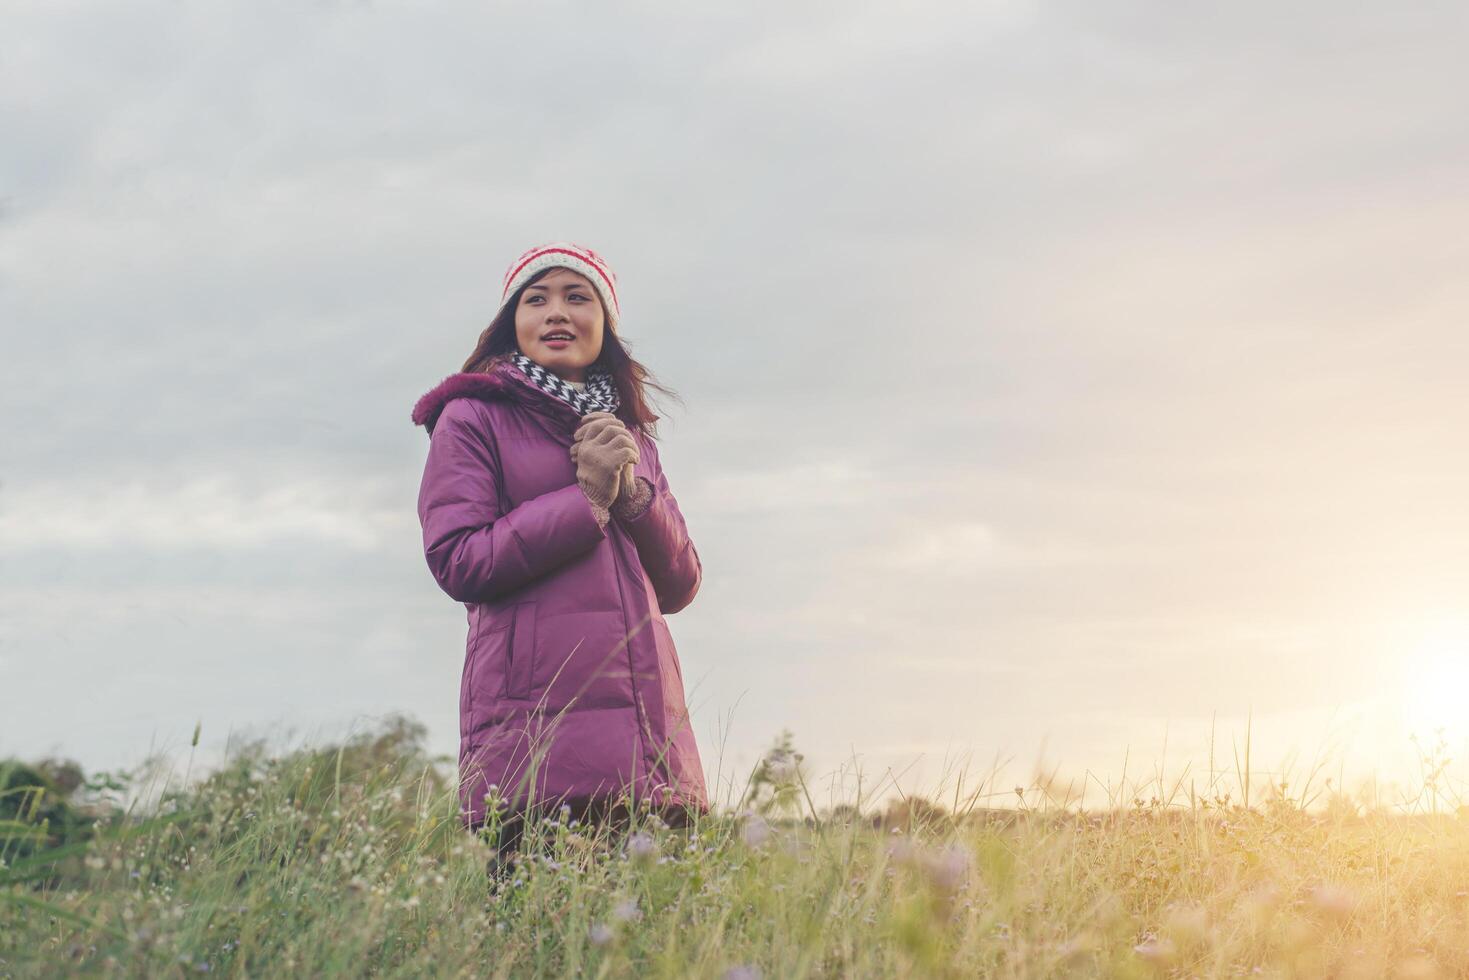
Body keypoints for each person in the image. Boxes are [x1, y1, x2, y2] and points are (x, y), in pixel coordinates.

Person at [411, 242, 708, 879]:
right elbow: (458, 560)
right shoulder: (471, 417)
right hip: (532, 745)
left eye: (579, 297)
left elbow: (681, 583)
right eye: (536, 298)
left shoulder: (628, 433)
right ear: (510, 320)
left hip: (648, 750)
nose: (557, 312)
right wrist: (586, 501)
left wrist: (631, 494)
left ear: (605, 325)